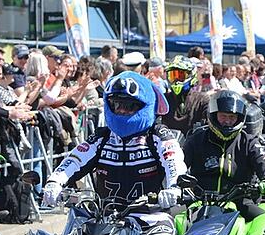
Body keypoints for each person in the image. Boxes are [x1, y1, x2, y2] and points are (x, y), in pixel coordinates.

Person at [41, 71, 186, 212]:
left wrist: (174, 187)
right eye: (116, 105)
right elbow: (75, 160)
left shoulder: (157, 135)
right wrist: (54, 182)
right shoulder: (102, 137)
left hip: (150, 214)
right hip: (105, 217)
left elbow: (173, 161)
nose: (121, 111)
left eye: (129, 106)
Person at [182, 90, 265, 220]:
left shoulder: (249, 141)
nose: (227, 121)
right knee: (175, 222)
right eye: (223, 116)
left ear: (239, 118)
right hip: (199, 201)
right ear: (214, 115)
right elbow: (179, 164)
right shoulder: (196, 139)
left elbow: (263, 160)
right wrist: (177, 182)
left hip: (240, 201)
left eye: (232, 117)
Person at [161, 55, 208, 136]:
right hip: (167, 145)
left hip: (194, 146)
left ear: (191, 75)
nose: (176, 80)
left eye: (180, 76)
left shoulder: (202, 100)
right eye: (173, 76)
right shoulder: (163, 100)